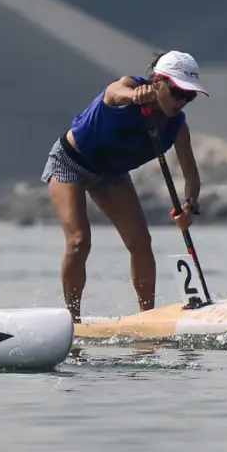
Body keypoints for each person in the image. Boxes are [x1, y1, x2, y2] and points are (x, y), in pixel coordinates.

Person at [40, 50, 208, 322]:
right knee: (79, 242)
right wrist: (135, 97)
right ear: (158, 83)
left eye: (189, 96)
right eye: (178, 92)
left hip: (111, 174)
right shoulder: (129, 86)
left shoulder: (177, 126)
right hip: (70, 162)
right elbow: (113, 93)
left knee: (141, 243)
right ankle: (71, 321)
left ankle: (147, 319)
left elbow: (191, 175)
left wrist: (189, 205)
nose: (182, 102)